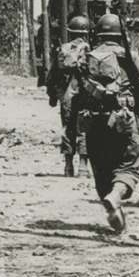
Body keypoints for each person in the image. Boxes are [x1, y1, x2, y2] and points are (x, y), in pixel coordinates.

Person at [76, 12, 139, 232]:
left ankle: (113, 211)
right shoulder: (128, 55)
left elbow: (77, 92)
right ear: (119, 33)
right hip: (123, 119)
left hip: (94, 122)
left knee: (102, 169)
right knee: (129, 163)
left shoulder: (87, 56)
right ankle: (116, 197)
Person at [48, 15, 93, 178]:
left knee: (68, 128)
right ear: (86, 32)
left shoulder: (64, 49)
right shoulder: (90, 50)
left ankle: (68, 167)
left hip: (67, 94)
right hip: (85, 94)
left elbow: (52, 74)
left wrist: (52, 95)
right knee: (84, 129)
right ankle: (82, 167)